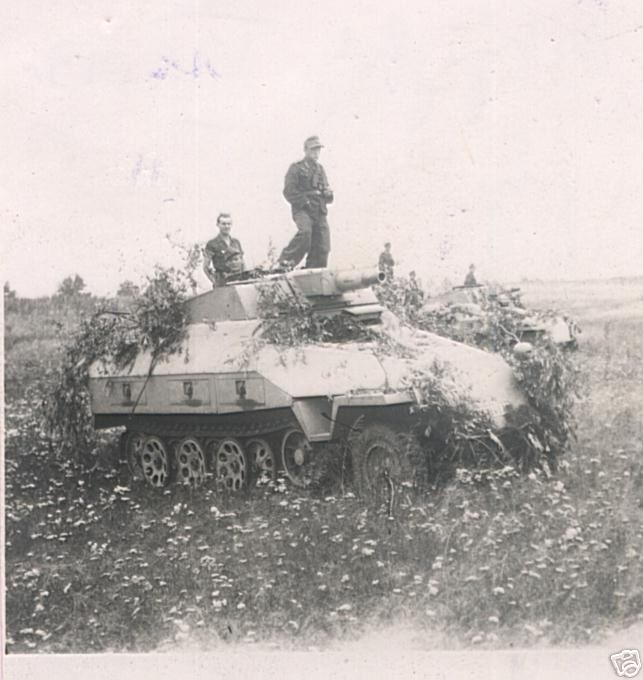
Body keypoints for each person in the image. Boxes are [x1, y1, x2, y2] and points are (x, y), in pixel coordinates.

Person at [279, 136, 334, 269]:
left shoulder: (320, 169)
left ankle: (314, 270)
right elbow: (288, 191)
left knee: (323, 245)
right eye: (313, 150)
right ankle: (286, 261)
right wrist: (305, 202)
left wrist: (328, 194)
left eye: (318, 150)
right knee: (305, 233)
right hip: (303, 209)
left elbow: (326, 193)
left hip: (319, 209)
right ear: (305, 150)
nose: (316, 153)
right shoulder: (296, 168)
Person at [203, 213, 245, 287]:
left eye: (229, 224)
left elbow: (242, 262)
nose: (226, 226)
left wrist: (244, 278)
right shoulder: (212, 243)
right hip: (222, 281)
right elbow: (206, 267)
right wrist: (214, 281)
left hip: (237, 280)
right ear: (218, 225)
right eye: (224, 224)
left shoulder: (236, 242)